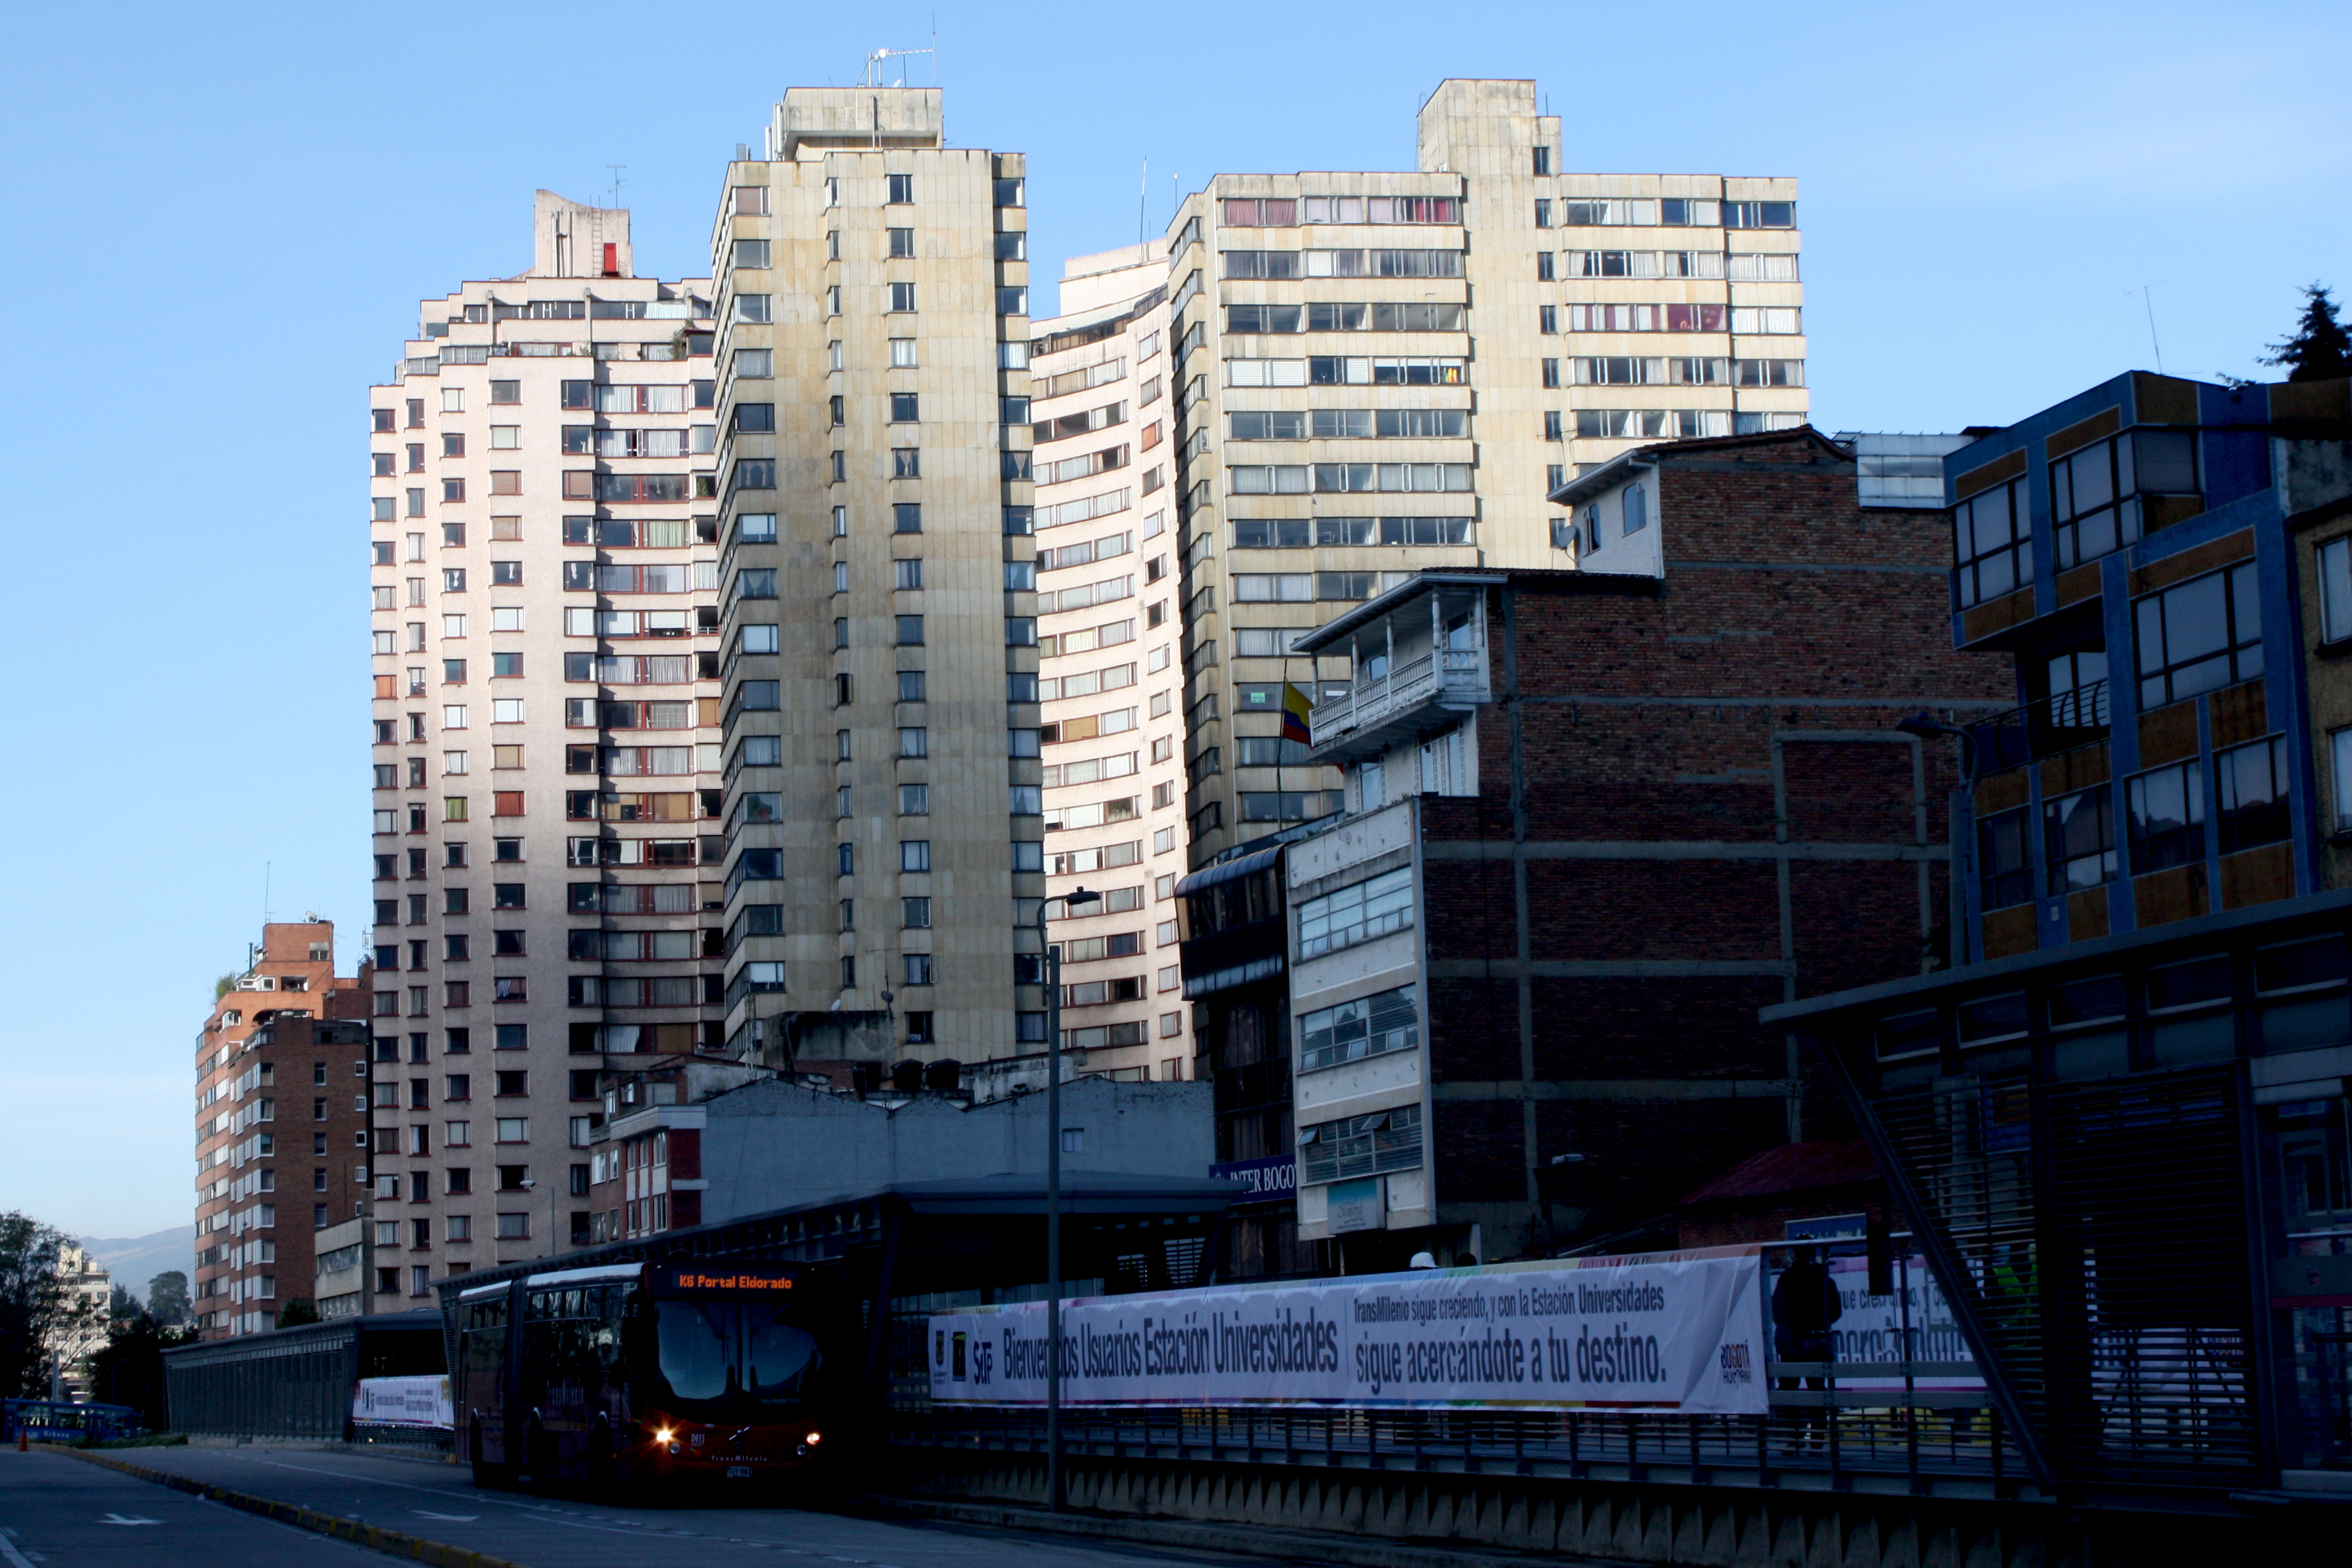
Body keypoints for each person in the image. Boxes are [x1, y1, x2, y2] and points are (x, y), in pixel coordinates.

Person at [1771, 1247, 1843, 1447]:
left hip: (1792, 1345)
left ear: (1795, 1255)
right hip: (1814, 1343)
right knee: (1816, 1391)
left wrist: (1791, 1330)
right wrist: (1818, 1325)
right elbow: (1835, 1312)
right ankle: (1816, 1437)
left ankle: (1797, 1436)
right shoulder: (1824, 1280)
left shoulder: (1787, 1279)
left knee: (1789, 1390)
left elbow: (1777, 1311)